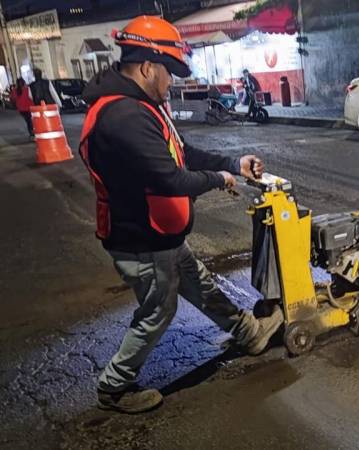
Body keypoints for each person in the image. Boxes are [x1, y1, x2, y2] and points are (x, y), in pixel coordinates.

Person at [79, 15, 283, 414]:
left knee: (200, 283)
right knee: (158, 310)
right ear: (146, 67)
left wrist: (233, 162)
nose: (172, 80)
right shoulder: (124, 117)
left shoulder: (143, 106)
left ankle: (250, 334)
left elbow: (181, 152)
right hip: (140, 239)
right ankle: (114, 387)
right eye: (169, 72)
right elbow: (170, 179)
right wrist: (219, 177)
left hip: (160, 235)